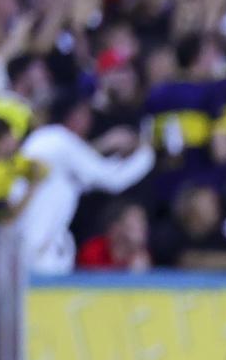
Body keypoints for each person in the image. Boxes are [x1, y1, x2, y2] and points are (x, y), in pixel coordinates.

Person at [21, 92, 156, 275]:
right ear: (69, 114)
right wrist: (147, 153)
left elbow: (86, 171)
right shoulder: (55, 139)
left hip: (42, 243)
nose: (88, 120)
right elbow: (112, 179)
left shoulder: (47, 143)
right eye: (82, 113)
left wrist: (107, 146)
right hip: (36, 245)